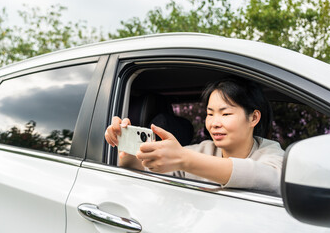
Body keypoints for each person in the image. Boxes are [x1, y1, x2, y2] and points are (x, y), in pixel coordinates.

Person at [105, 77, 284, 194]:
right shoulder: (202, 150)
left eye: (225, 113)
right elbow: (146, 171)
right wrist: (127, 151)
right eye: (210, 113)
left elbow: (269, 178)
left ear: (253, 118)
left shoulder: (272, 153)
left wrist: (185, 159)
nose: (214, 123)